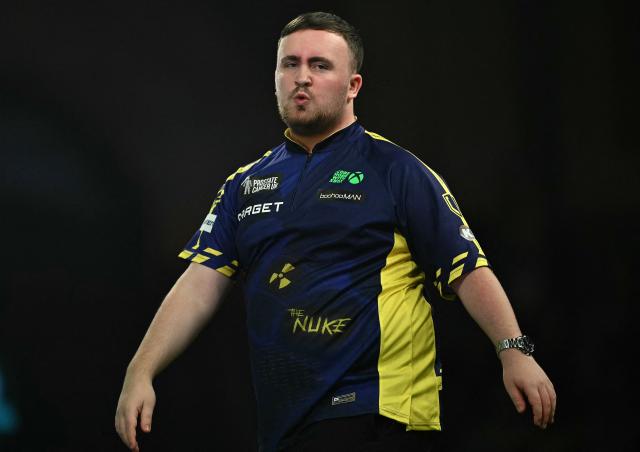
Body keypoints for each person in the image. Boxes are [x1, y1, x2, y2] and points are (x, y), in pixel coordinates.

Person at [115, 11, 556, 452]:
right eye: (290, 64)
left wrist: (515, 351)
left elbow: (467, 269)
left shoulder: (395, 170)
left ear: (353, 86)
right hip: (285, 422)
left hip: (378, 412)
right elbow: (197, 286)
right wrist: (141, 371)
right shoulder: (245, 185)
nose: (301, 78)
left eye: (320, 65)